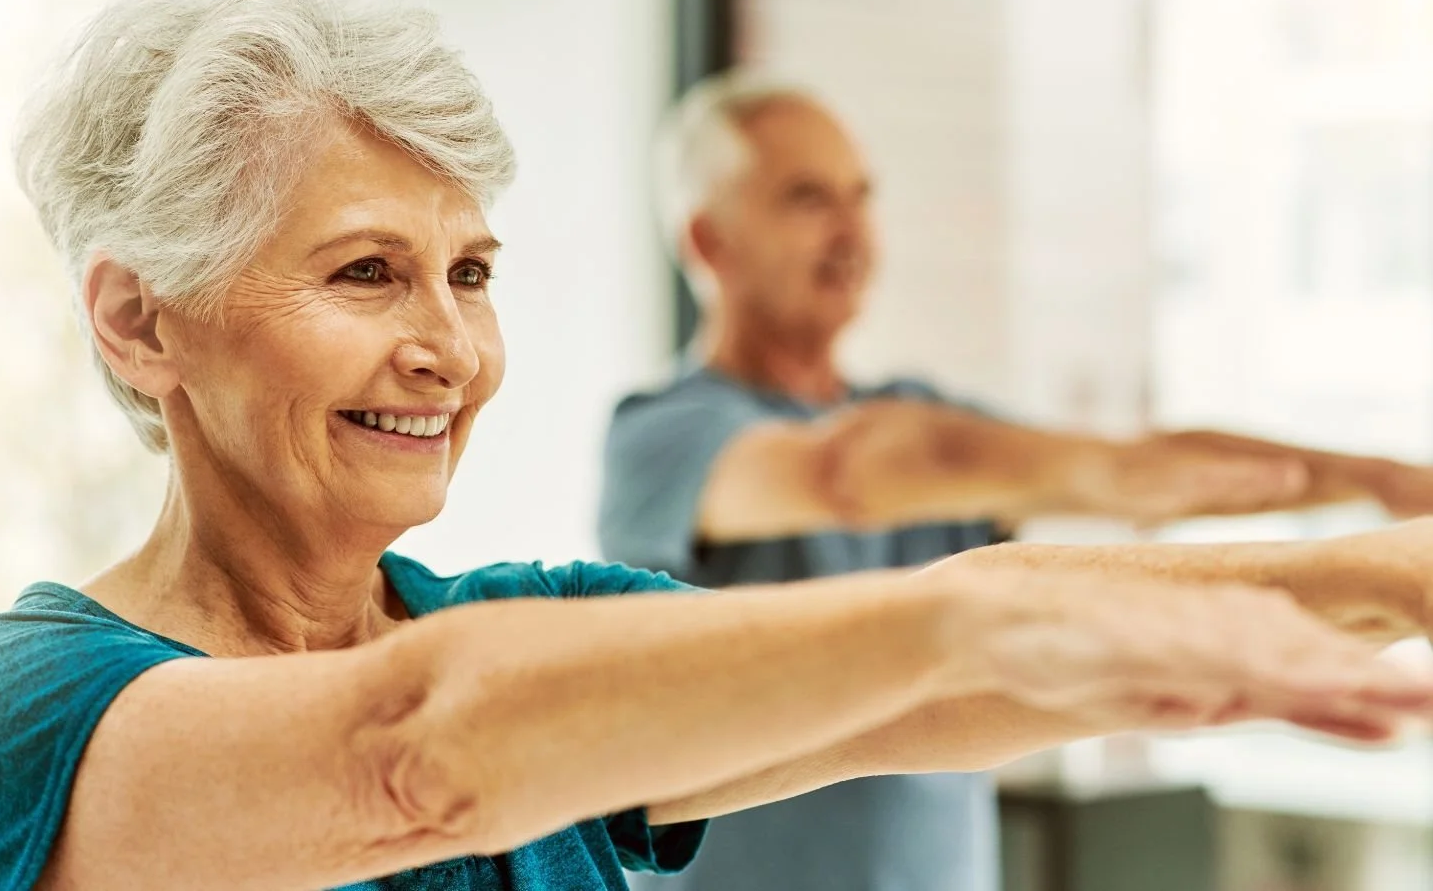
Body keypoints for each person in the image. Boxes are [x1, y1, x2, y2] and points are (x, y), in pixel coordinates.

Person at [0, 0, 1432, 891]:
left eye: (468, 276)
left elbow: (926, 674)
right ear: (140, 320)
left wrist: (1378, 573)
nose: (449, 350)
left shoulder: (524, 630)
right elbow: (406, 754)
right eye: (365, 273)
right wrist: (969, 624)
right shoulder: (21, 705)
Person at [598, 72, 1433, 891]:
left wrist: (1387, 482)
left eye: (862, 196)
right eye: (808, 199)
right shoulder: (663, 436)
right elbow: (845, 475)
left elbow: (1138, 466)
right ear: (709, 242)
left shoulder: (919, 414)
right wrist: (1103, 474)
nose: (854, 232)